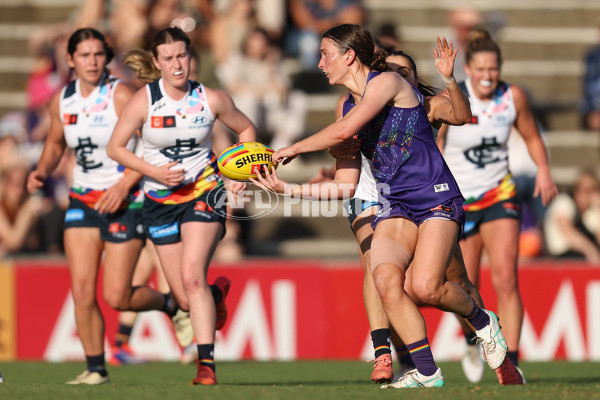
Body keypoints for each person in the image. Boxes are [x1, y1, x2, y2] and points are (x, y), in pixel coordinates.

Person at [270, 23, 511, 389]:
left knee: (428, 287)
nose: (320, 63)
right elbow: (344, 186)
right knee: (384, 280)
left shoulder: (386, 83)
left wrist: (290, 148)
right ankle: (427, 373)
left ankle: (481, 321)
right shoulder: (351, 110)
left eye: (325, 54)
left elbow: (340, 132)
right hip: (395, 205)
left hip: (435, 199)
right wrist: (287, 188)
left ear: (349, 56)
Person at [25, 28, 196, 385]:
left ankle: (170, 305)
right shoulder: (63, 99)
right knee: (82, 290)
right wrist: (41, 171)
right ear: (70, 60)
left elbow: (148, 147)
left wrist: (123, 185)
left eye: (98, 54)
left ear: (107, 57)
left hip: (126, 202)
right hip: (83, 202)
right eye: (84, 55)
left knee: (117, 296)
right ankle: (95, 368)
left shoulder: (119, 94)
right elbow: (56, 144)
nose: (92, 62)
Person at [107, 27, 256, 385]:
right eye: (169, 58)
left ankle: (206, 365)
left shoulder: (212, 98)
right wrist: (152, 170)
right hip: (159, 202)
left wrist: (239, 172)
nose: (177, 64)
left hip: (204, 193)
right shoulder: (143, 100)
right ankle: (216, 293)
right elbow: (116, 148)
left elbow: (247, 129)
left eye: (182, 56)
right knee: (185, 298)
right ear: (156, 62)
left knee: (192, 276)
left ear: (191, 56)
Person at [438, 29, 558, 381]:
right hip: (460, 199)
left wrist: (544, 171)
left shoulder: (513, 97)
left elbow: (532, 135)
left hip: (499, 194)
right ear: (469, 70)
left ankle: (512, 359)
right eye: (480, 69)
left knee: (506, 277)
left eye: (493, 68)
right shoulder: (455, 98)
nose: (488, 75)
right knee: (464, 284)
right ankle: (473, 340)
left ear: (500, 68)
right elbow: (437, 143)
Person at [544, 170, 600, 262]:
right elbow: (568, 232)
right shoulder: (564, 202)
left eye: (592, 190)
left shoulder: (590, 212)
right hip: (563, 258)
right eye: (584, 190)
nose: (587, 196)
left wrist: (598, 209)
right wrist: (590, 251)